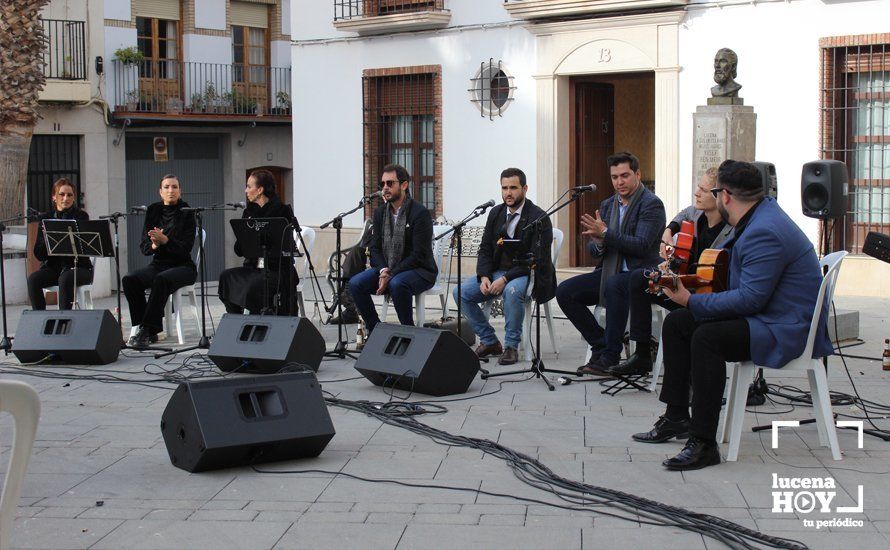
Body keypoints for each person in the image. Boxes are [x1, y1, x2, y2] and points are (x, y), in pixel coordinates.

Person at [632, 160, 833, 471]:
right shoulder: (759, 214)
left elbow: (751, 299)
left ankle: (703, 443)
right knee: (678, 323)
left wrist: (691, 300)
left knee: (707, 338)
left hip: (785, 326)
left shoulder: (764, 230)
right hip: (771, 314)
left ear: (724, 196)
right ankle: (676, 417)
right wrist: (685, 287)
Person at [609, 167, 733, 377]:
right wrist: (669, 231)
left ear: (720, 196)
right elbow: (683, 214)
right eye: (698, 187)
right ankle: (642, 353)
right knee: (641, 278)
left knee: (681, 318)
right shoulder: (696, 212)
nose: (697, 193)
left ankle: (694, 375)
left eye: (703, 189)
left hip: (707, 297)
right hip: (685, 287)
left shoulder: (731, 230)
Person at [555, 152, 665, 375]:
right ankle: (601, 345)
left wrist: (606, 233)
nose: (619, 182)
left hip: (639, 273)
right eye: (614, 177)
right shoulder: (607, 205)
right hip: (608, 272)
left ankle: (610, 357)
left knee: (616, 285)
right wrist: (599, 242)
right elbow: (596, 252)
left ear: (638, 174)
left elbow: (641, 245)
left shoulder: (651, 204)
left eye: (625, 175)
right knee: (565, 292)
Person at [452, 168, 556, 366]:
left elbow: (536, 259)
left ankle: (511, 346)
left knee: (512, 290)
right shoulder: (496, 213)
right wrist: (483, 276)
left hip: (525, 272)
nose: (508, 193)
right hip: (496, 272)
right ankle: (490, 341)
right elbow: (485, 248)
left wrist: (505, 279)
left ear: (525, 189)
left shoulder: (539, 217)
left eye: (513, 188)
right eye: (504, 188)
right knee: (460, 293)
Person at [349, 163, 436, 334]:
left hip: (419, 270)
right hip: (388, 268)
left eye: (390, 183)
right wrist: (383, 270)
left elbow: (419, 254)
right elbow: (374, 248)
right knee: (355, 283)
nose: (385, 188)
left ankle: (409, 333)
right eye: (382, 184)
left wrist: (391, 273)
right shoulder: (380, 213)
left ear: (404, 185)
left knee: (397, 284)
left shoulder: (420, 213)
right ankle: (376, 331)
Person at [123, 174, 197, 349]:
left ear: (180, 190)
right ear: (160, 191)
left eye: (174, 187)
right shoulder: (153, 210)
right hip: (159, 264)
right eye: (167, 187)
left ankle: (147, 329)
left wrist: (166, 241)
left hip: (183, 266)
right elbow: (144, 248)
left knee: (161, 279)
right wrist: (155, 245)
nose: (171, 190)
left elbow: (185, 249)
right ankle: (144, 327)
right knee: (130, 279)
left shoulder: (186, 212)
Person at [218, 169, 299, 316]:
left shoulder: (282, 211)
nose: (246, 190)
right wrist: (245, 235)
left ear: (260, 190)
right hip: (254, 267)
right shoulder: (248, 213)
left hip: (276, 269)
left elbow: (285, 246)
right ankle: (236, 318)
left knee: (254, 286)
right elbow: (239, 250)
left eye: (249, 186)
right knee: (226, 277)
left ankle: (258, 319)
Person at [28, 178, 94, 310]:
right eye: (61, 194)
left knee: (65, 278)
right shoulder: (45, 218)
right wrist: (49, 239)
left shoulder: (81, 216)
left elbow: (84, 247)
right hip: (55, 268)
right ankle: (41, 320)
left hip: (79, 268)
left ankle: (64, 323)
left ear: (74, 197)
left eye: (69, 195)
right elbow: (39, 254)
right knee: (33, 279)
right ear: (54, 197)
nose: (66, 198)